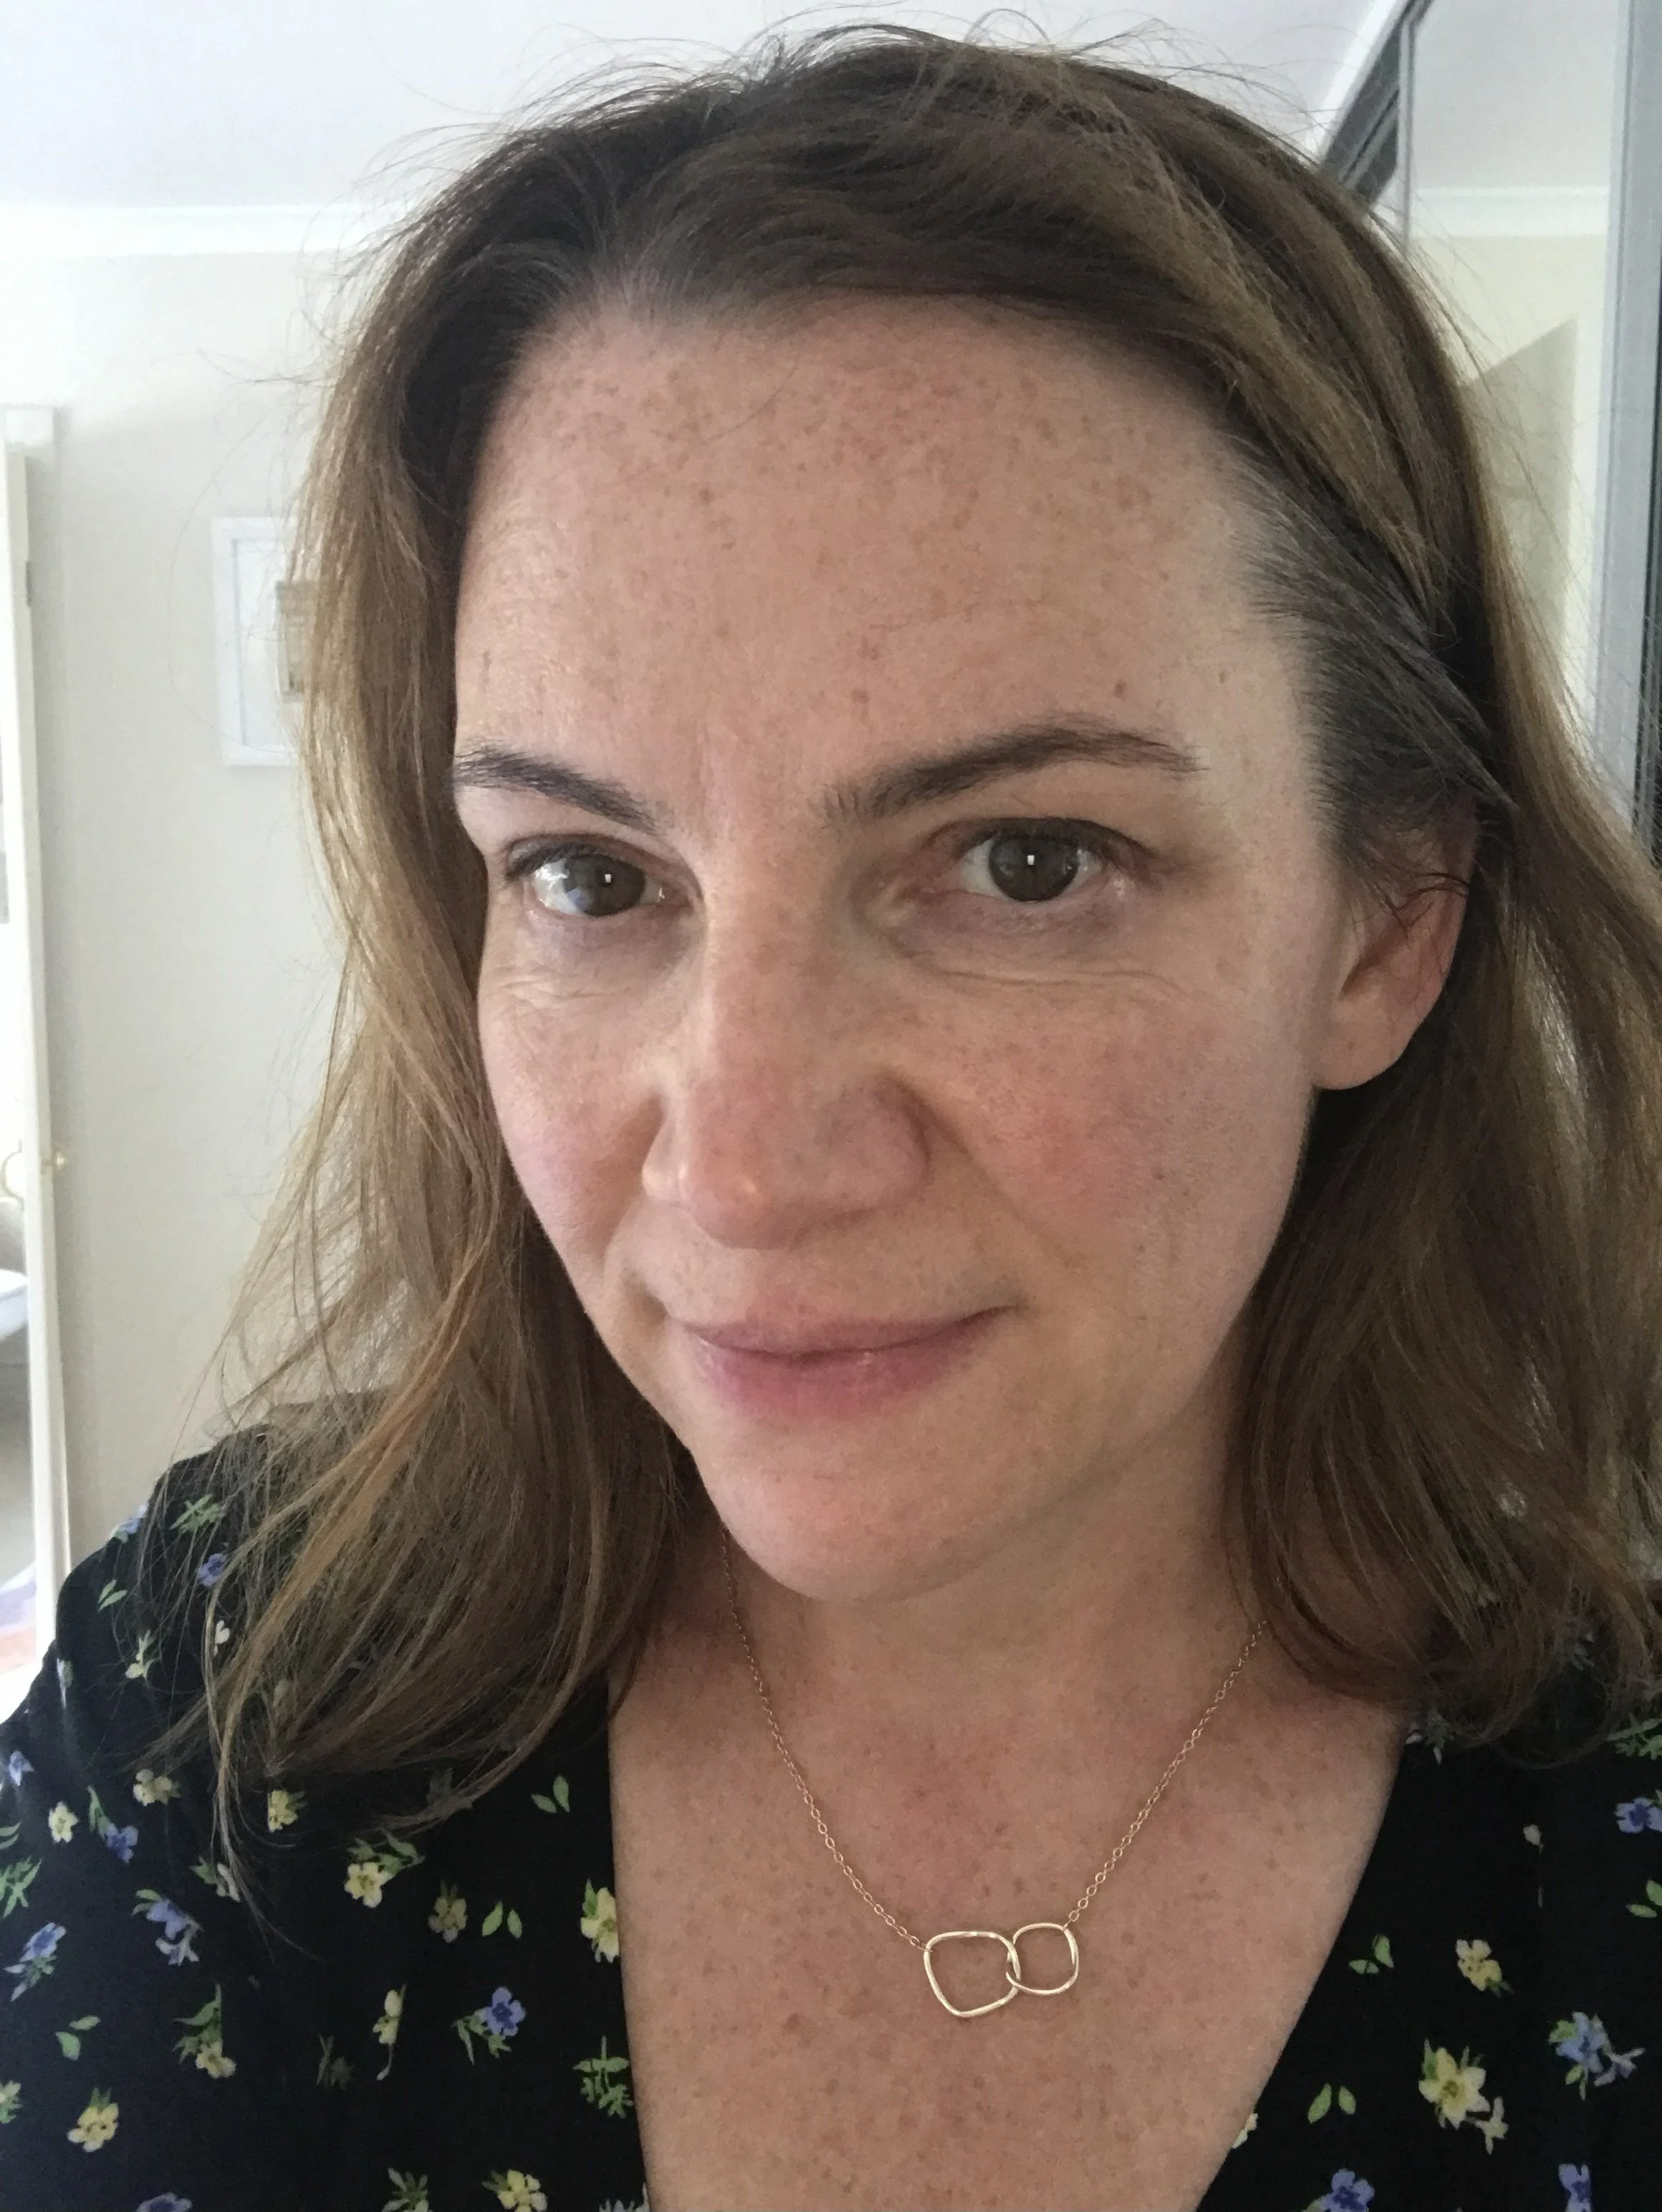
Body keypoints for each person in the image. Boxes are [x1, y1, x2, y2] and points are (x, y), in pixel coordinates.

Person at [1, 24, 1661, 2212]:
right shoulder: (223, 1707)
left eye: (1026, 862)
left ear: (1387, 923)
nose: (745, 1165)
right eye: (592, 879)